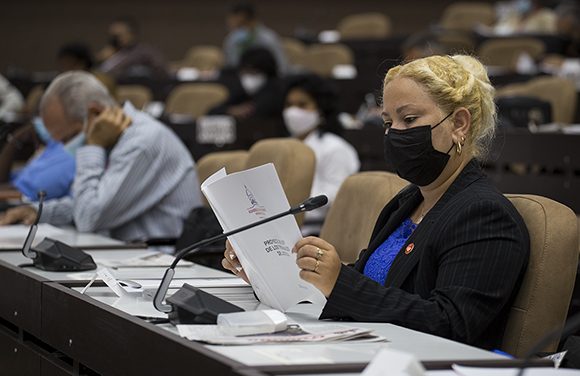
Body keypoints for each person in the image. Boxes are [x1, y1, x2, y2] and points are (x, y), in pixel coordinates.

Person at [223, 55, 530, 350]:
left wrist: (340, 281)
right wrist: (268, 273)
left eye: (409, 119)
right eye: (388, 122)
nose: (395, 133)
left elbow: (450, 324)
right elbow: (369, 281)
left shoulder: (484, 214)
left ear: (459, 124)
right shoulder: (406, 202)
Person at [0, 71, 201, 242]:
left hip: (160, 261)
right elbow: (85, 204)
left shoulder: (142, 141)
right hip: (123, 254)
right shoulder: (117, 138)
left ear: (95, 113)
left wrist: (92, 146)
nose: (64, 147)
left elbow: (88, 217)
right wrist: (38, 212)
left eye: (69, 137)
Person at [282, 74, 360, 235]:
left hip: (314, 233)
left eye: (302, 105)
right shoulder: (284, 146)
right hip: (279, 227)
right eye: (289, 105)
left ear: (321, 109)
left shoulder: (335, 148)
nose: (292, 111)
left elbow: (333, 199)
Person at [211, 47, 284, 120]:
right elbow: (212, 112)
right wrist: (230, 111)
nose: (248, 77)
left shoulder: (275, 91)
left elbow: (260, 112)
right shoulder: (239, 90)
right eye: (245, 72)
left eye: (253, 73)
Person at [223, 2, 288, 73]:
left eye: (231, 17)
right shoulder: (232, 39)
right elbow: (230, 65)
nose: (228, 21)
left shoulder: (268, 39)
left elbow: (282, 67)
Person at [97, 17, 168, 79]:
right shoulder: (109, 52)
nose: (115, 40)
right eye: (112, 36)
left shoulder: (144, 52)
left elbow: (160, 68)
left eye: (118, 36)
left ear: (131, 34)